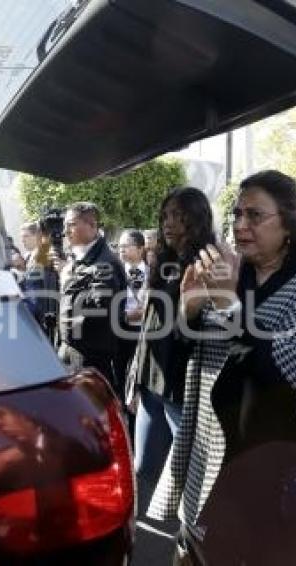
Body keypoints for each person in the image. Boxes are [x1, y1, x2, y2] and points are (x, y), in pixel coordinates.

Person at [149, 170, 296, 565]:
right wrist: (188, 307)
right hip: (222, 454)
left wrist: (229, 309)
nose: (240, 225)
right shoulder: (236, 272)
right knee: (208, 551)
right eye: (236, 214)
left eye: (255, 216)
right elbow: (188, 354)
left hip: (286, 467)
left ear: (288, 222)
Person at [127, 188, 216, 492]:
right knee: (144, 467)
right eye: (166, 215)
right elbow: (149, 326)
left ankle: (191, 532)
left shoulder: (208, 262)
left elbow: (210, 329)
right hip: (151, 380)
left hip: (182, 387)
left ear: (197, 218)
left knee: (188, 475)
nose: (169, 222)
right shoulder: (162, 260)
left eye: (179, 215)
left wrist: (187, 312)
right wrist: (135, 378)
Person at [53, 202, 127, 394]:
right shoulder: (80, 259)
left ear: (92, 226)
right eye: (65, 225)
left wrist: (69, 281)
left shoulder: (104, 263)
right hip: (71, 348)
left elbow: (101, 308)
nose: (66, 230)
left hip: (90, 354)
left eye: (71, 224)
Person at [115, 229, 147, 386]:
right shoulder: (113, 273)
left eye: (126, 246)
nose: (121, 250)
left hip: (143, 332)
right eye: (119, 246)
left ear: (141, 248)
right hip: (119, 330)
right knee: (119, 373)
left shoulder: (152, 273)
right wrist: (124, 316)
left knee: (140, 375)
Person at [21, 225, 60, 341]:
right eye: (21, 237)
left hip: (43, 315)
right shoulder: (28, 256)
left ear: (37, 236)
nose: (22, 240)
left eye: (26, 236)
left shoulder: (43, 253)